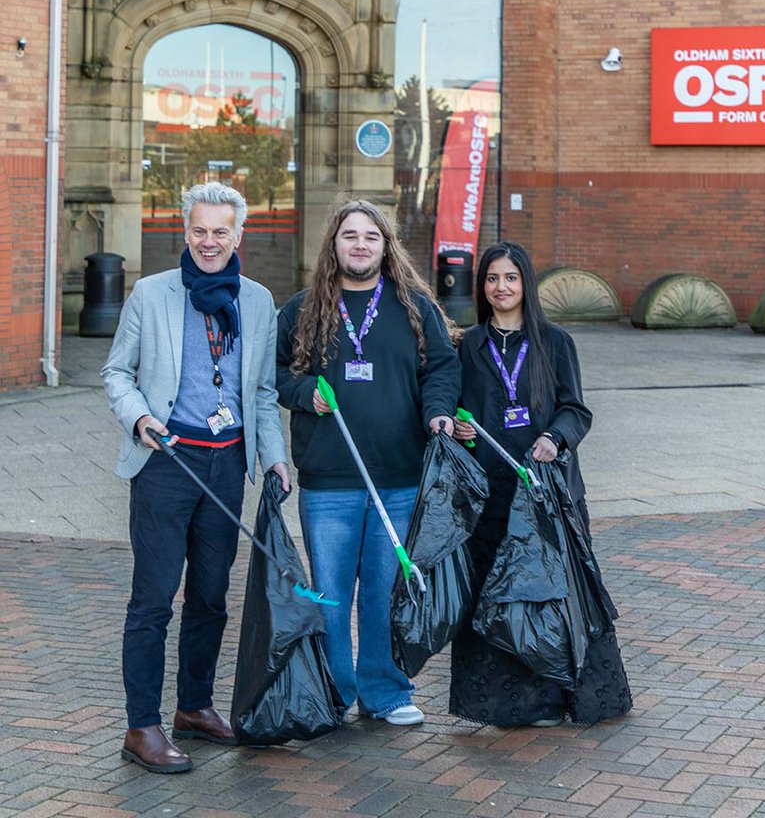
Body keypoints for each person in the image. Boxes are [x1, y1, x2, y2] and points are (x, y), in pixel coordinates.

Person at [102, 182, 290, 774]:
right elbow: (116, 372)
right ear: (185, 231)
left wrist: (275, 456)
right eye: (200, 231)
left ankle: (194, 707)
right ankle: (142, 726)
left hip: (227, 464)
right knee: (153, 599)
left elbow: (262, 392)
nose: (209, 242)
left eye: (220, 232)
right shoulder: (151, 293)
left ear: (239, 235)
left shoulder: (257, 301)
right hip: (166, 462)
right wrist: (140, 418)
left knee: (210, 596)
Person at [276, 198, 459, 726]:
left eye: (371, 236)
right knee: (331, 594)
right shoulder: (302, 310)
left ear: (386, 246)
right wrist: (304, 392)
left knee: (383, 591)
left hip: (399, 478)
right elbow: (276, 374)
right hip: (328, 482)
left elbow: (442, 368)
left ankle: (385, 693)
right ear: (333, 244)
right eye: (350, 235)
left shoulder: (415, 308)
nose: (360, 245)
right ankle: (334, 693)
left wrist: (439, 412)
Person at [449, 240, 632, 727]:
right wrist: (461, 428)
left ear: (526, 283)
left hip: (548, 495)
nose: (501, 287)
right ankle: (510, 706)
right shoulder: (469, 346)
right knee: (499, 598)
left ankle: (563, 698)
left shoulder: (555, 342)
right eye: (492, 278)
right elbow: (460, 409)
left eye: (510, 278)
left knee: (553, 596)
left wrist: (554, 437)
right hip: (491, 498)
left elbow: (576, 410)